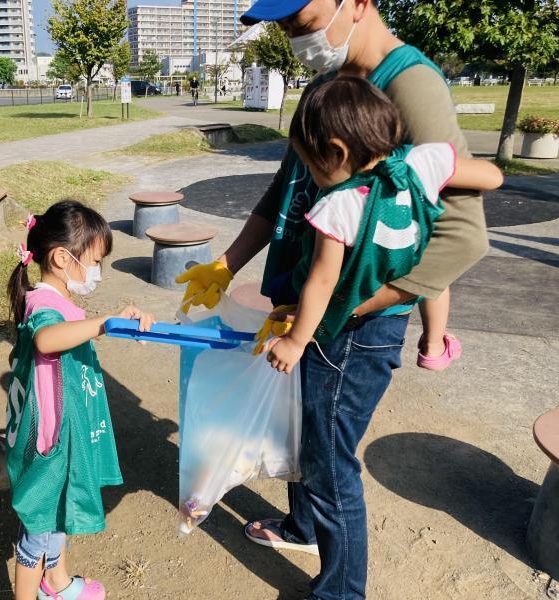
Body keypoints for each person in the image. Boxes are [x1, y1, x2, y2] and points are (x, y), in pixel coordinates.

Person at [175, 0, 490, 598]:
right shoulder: (325, 83)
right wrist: (226, 263)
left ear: (360, 5)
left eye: (301, 17)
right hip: (307, 307)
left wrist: (348, 308)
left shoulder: (410, 85)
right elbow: (283, 190)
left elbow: (462, 236)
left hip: (357, 323)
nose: (293, 34)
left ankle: (342, 589)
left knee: (327, 457)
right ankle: (302, 524)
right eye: (283, 23)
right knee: (302, 427)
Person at [262, 76, 502, 374]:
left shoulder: (336, 206)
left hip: (348, 303)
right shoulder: (421, 162)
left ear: (338, 153)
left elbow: (323, 281)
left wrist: (296, 341)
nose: (310, 175)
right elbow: (493, 177)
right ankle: (435, 345)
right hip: (401, 282)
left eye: (309, 164)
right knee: (438, 286)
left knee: (283, 287)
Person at [5, 201, 154, 600]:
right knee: (37, 529)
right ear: (60, 257)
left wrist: (114, 320)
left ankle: (56, 582)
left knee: (56, 512)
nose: (97, 272)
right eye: (95, 261)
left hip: (60, 435)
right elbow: (46, 339)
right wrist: (103, 324)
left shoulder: (55, 297)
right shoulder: (43, 304)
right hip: (48, 442)